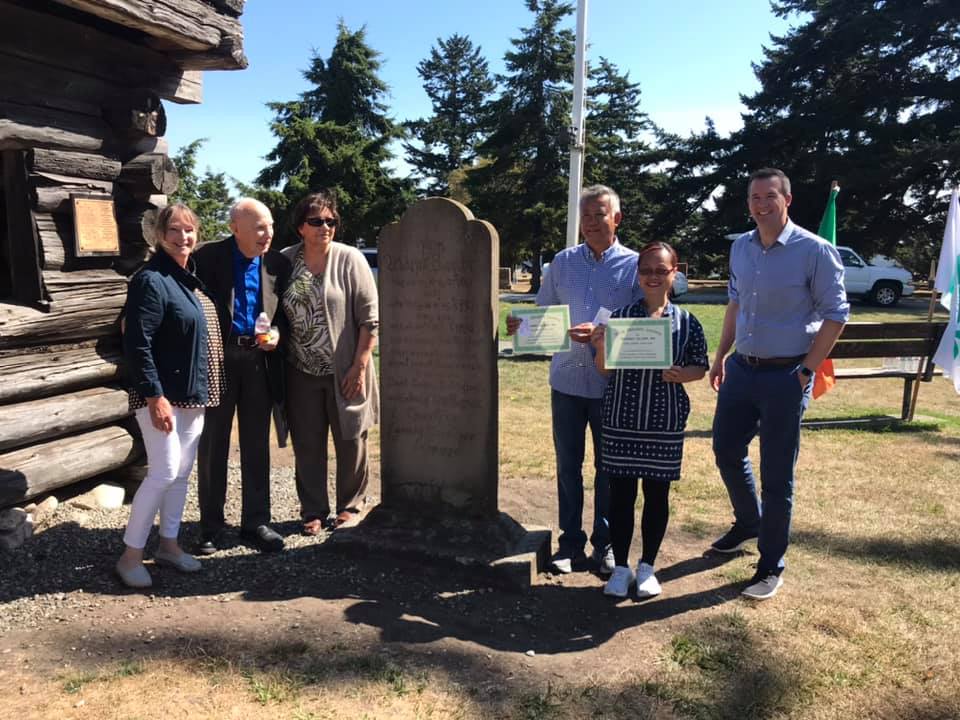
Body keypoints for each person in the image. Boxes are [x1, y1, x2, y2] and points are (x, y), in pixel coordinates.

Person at [709, 168, 849, 600]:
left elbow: (836, 314)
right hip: (742, 370)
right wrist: (720, 355)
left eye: (770, 196)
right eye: (754, 197)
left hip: (787, 375)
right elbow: (734, 304)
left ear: (787, 200)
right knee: (726, 450)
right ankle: (749, 521)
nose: (760, 204)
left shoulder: (815, 251)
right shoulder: (741, 248)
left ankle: (771, 564)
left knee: (777, 476)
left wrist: (806, 370)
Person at [507, 185, 640, 575]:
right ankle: (570, 544)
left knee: (609, 469)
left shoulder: (634, 266)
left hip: (610, 386)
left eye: (600, 214)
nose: (591, 222)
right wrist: (520, 326)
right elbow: (542, 317)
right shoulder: (560, 264)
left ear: (616, 218)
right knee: (568, 466)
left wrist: (606, 334)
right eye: (585, 216)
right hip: (565, 382)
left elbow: (646, 324)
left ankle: (606, 545)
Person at [589, 242, 708, 598]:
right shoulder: (618, 317)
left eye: (661, 270)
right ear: (637, 275)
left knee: (657, 495)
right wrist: (599, 346)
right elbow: (605, 370)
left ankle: (647, 568)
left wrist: (682, 373)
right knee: (620, 496)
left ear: (675, 273)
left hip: (664, 420)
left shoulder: (687, 322)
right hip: (622, 416)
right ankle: (621, 567)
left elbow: (700, 367)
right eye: (646, 271)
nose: (653, 277)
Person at [116, 203, 224, 589]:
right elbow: (138, 341)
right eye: (175, 231)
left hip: (192, 393)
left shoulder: (187, 277)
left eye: (190, 230)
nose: (184, 238)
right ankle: (130, 556)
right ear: (160, 236)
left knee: (179, 476)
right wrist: (153, 395)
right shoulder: (151, 279)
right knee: (163, 471)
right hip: (160, 395)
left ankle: (168, 545)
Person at [193, 198, 291, 553]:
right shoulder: (206, 259)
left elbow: (283, 315)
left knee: (255, 443)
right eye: (260, 228)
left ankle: (256, 522)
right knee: (213, 442)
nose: (268, 234)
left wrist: (277, 334)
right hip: (220, 358)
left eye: (270, 226)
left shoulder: (279, 264)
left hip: (258, 360)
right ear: (236, 228)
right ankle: (210, 527)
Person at [280, 191, 379, 534]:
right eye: (316, 221)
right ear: (300, 227)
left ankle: (350, 506)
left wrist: (360, 365)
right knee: (307, 443)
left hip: (346, 369)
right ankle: (313, 510)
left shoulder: (351, 259)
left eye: (330, 221)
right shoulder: (284, 261)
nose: (325, 227)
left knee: (351, 439)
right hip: (300, 370)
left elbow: (370, 318)